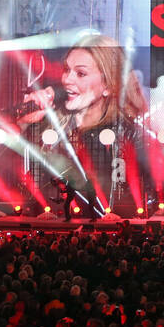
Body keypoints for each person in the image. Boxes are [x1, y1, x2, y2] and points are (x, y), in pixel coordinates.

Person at [17, 33, 150, 215]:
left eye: (80, 73)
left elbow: (144, 187)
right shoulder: (47, 125)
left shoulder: (127, 133)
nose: (67, 80)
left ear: (108, 86)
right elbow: (14, 174)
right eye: (66, 70)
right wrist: (22, 124)